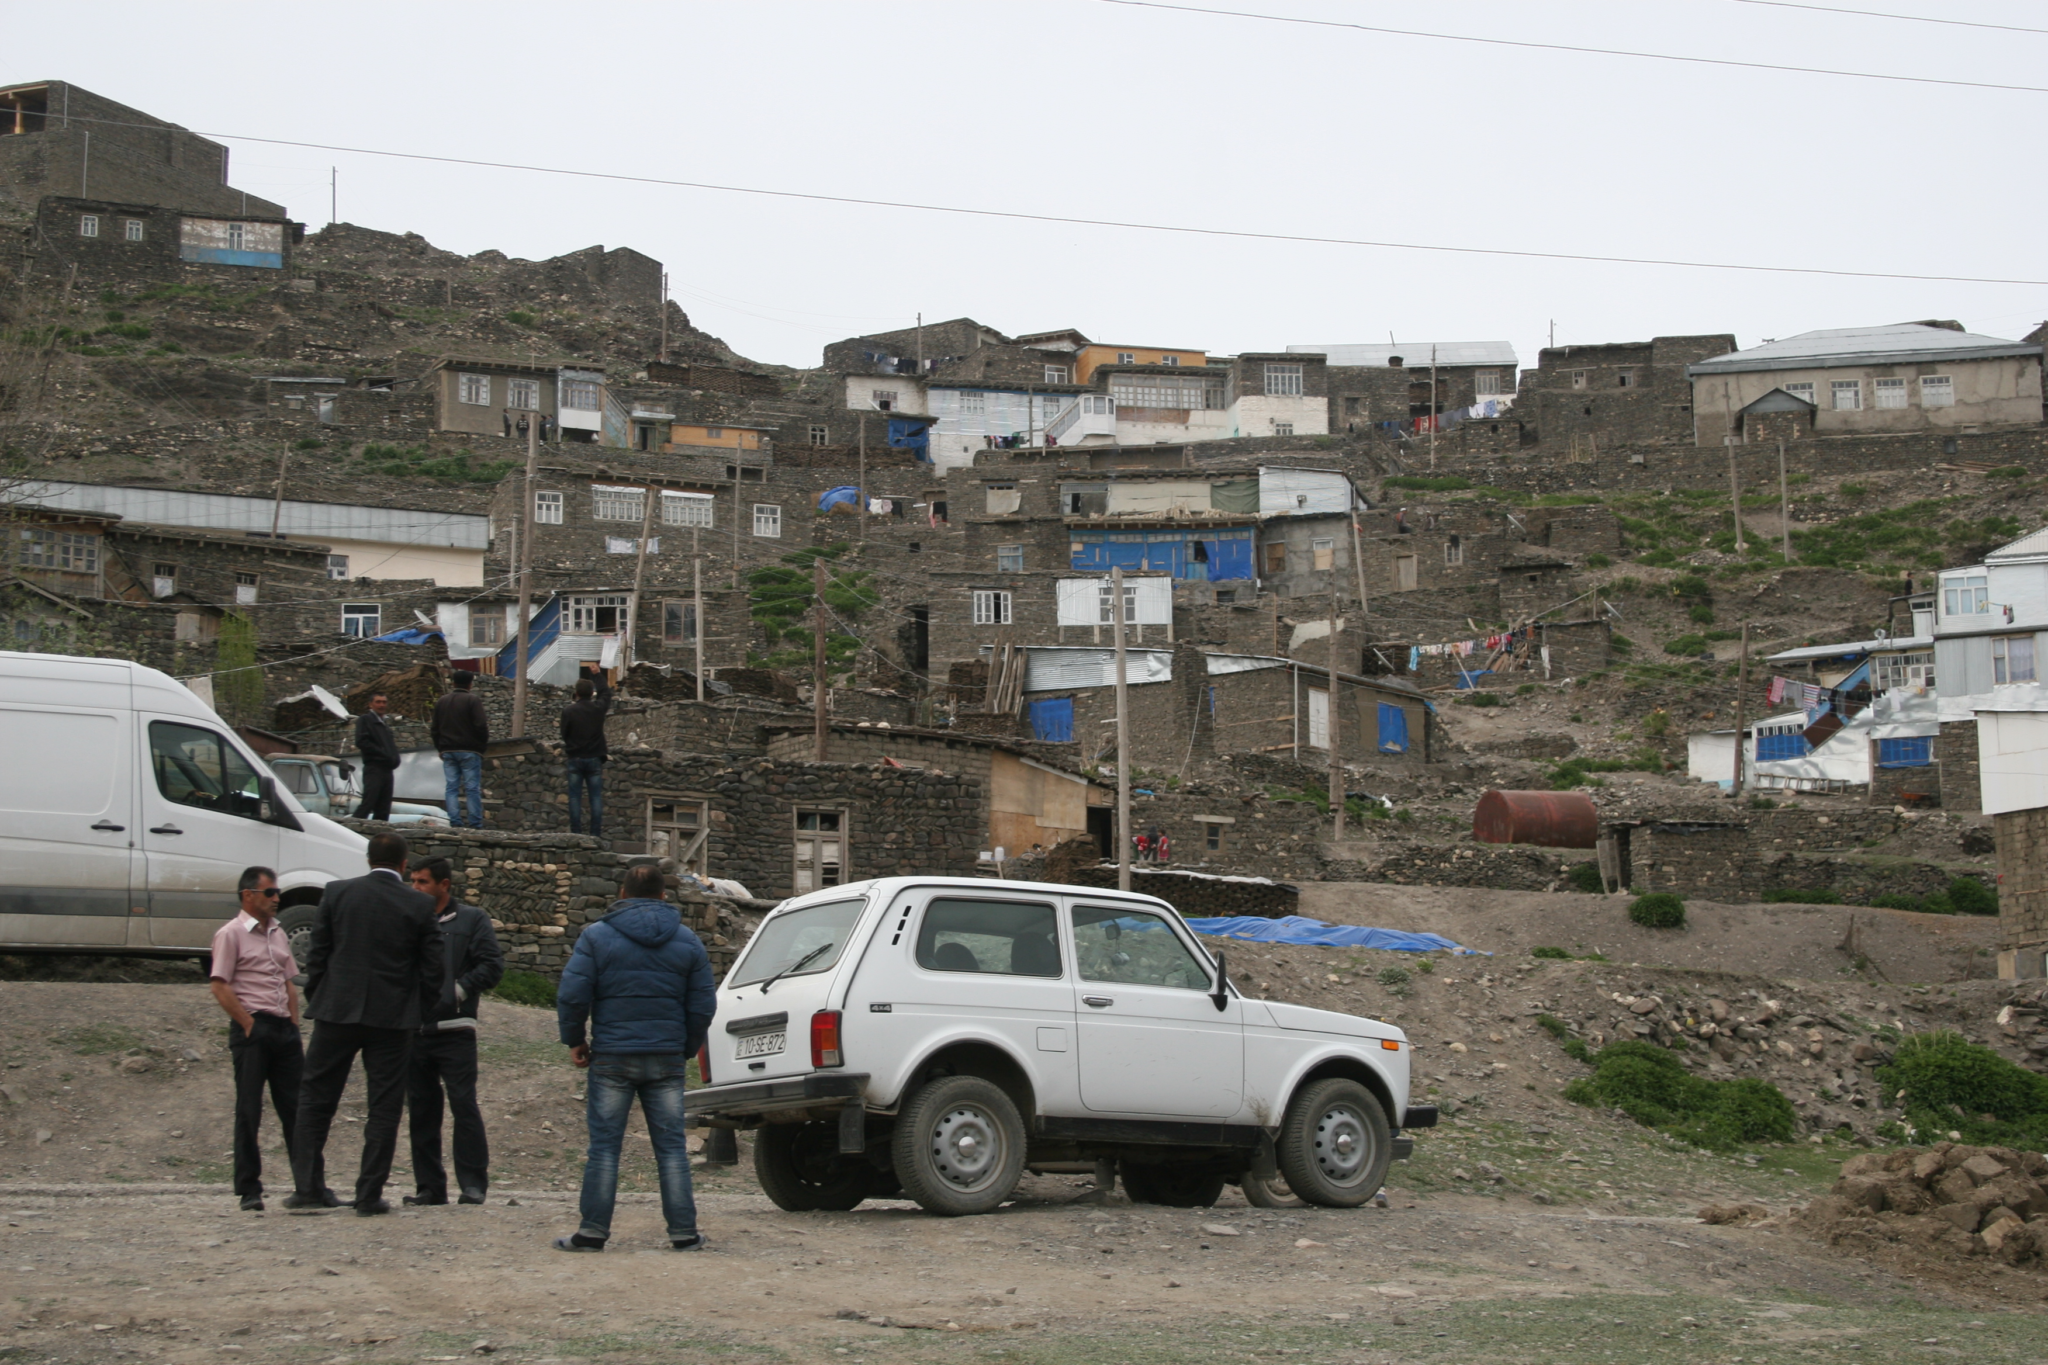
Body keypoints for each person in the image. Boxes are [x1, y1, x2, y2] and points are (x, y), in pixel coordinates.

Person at [553, 864, 716, 1253]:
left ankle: (592, 1232)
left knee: (605, 1147)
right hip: (665, 1056)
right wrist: (686, 1046)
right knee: (672, 1147)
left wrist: (575, 1039)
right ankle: (683, 1233)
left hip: (612, 1055)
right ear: (664, 896)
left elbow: (573, 995)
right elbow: (704, 1004)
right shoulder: (688, 940)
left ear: (621, 895)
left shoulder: (596, 936)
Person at [288, 832, 444, 1216]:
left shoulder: (337, 893)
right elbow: (433, 969)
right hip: (391, 1018)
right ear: (404, 865)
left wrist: (320, 997)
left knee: (314, 1100)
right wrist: (417, 1012)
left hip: (336, 1010)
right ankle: (368, 1193)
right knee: (384, 1106)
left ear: (368, 859)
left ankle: (307, 1187)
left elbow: (317, 954)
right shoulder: (419, 905)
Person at [404, 857, 504, 1207]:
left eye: (422, 882)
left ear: (444, 885)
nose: (415, 888)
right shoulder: (408, 919)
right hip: (413, 1031)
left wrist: (457, 993)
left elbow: (491, 966)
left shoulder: (472, 920)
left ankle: (473, 1184)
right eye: (412, 881)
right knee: (421, 1109)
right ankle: (429, 1187)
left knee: (464, 1105)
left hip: (456, 1030)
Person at [208, 866, 307, 1212]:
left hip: (283, 1027)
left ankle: (309, 1184)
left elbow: (287, 980)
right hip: (255, 1027)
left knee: (297, 1109)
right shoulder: (231, 934)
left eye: (277, 892)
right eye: (269, 893)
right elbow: (220, 984)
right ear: (247, 895)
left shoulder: (278, 933)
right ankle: (249, 1188)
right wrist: (248, 1024)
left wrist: (293, 1023)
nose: (276, 899)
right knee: (249, 1110)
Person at [432, 672, 489, 828]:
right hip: (469, 750)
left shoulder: (442, 701)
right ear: (470, 684)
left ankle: (455, 821)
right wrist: (481, 746)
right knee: (471, 788)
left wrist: (441, 748)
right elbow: (481, 726)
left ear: (453, 683)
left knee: (451, 787)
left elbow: (434, 729)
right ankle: (475, 823)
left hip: (448, 751)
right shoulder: (472, 700)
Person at [560, 669, 612, 838]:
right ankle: (594, 834)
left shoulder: (568, 711)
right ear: (592, 693)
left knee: (574, 797)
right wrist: (598, 675)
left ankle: (576, 833)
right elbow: (606, 692)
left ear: (576, 693)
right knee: (595, 797)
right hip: (594, 757)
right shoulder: (598, 709)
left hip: (575, 758)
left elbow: (564, 734)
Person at [353, 692, 401, 822]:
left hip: (387, 769)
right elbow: (361, 742)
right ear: (370, 704)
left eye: (384, 702)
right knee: (369, 802)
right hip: (374, 768)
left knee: (384, 807)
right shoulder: (366, 720)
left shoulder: (384, 724)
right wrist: (383, 754)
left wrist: (393, 758)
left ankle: (379, 835)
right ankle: (352, 828)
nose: (381, 705)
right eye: (378, 702)